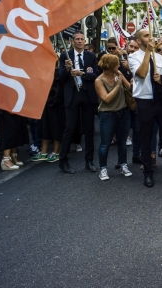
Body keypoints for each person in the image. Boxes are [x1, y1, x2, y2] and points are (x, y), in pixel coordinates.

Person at [129, 29, 162, 188]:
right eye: (146, 36)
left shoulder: (159, 58)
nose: (150, 37)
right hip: (145, 102)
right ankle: (148, 173)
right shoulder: (133, 57)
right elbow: (141, 74)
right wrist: (147, 52)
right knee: (146, 137)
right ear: (139, 41)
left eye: (150, 35)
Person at [58, 32, 99, 174]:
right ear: (72, 41)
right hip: (73, 95)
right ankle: (63, 161)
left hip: (87, 94)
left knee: (89, 129)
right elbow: (60, 78)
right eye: (77, 39)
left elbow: (96, 75)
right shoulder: (66, 56)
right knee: (70, 128)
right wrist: (68, 69)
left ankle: (89, 161)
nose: (80, 41)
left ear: (85, 41)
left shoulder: (91, 56)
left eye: (82, 39)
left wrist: (82, 74)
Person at [95, 53, 132, 181]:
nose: (118, 65)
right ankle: (103, 169)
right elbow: (106, 99)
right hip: (107, 115)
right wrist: (117, 85)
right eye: (116, 63)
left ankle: (123, 165)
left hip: (123, 113)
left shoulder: (119, 75)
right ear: (110, 66)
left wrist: (130, 79)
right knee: (105, 144)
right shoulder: (99, 80)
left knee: (122, 142)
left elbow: (131, 88)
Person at [32, 56, 66, 163]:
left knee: (56, 127)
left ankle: (56, 152)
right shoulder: (42, 73)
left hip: (56, 104)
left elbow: (58, 89)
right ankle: (44, 151)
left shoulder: (58, 73)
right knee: (44, 127)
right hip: (44, 104)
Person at [126, 38, 143, 165]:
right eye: (130, 46)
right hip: (122, 102)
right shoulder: (118, 62)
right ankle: (121, 161)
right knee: (123, 131)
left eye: (135, 47)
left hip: (136, 101)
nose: (132, 49)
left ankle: (136, 154)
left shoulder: (140, 62)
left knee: (137, 130)